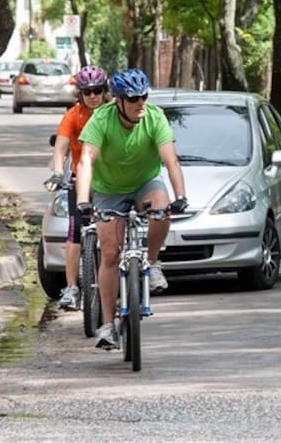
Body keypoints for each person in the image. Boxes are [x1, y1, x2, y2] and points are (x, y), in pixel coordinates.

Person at [75, 68, 188, 350]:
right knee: (110, 253)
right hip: (109, 190)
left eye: (144, 97)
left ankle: (152, 261)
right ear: (119, 101)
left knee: (162, 209)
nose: (141, 103)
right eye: (133, 98)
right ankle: (109, 325)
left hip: (145, 182)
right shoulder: (102, 119)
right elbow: (86, 161)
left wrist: (181, 195)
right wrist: (83, 200)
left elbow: (171, 160)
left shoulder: (154, 117)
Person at [43, 65, 110, 311]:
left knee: (115, 227)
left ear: (105, 92)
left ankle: (124, 276)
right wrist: (59, 172)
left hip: (110, 182)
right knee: (75, 230)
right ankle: (71, 288)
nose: (93, 95)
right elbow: (60, 148)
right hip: (79, 179)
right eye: (87, 91)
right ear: (79, 94)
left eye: (97, 90)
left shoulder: (114, 113)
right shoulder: (73, 115)